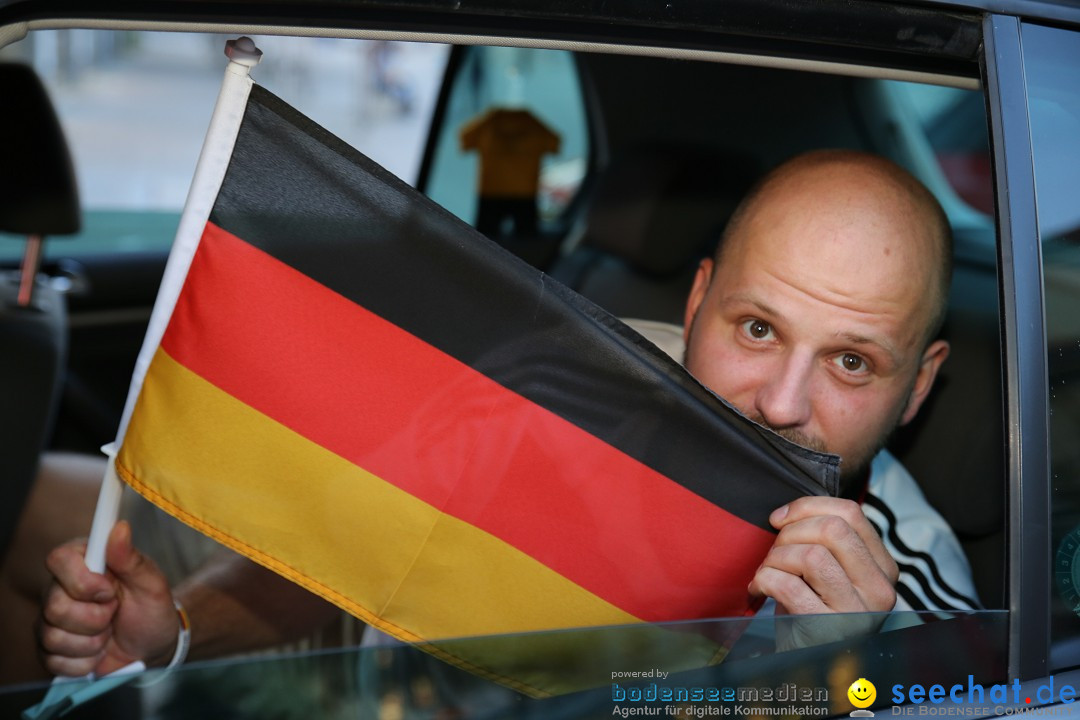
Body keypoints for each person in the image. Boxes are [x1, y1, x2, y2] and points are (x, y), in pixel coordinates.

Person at [30, 149, 976, 681]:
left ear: (918, 387)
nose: (781, 404)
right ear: (696, 307)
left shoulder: (905, 606)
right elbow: (354, 553)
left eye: (852, 361)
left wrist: (824, 684)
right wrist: (180, 637)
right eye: (758, 328)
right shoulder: (565, 379)